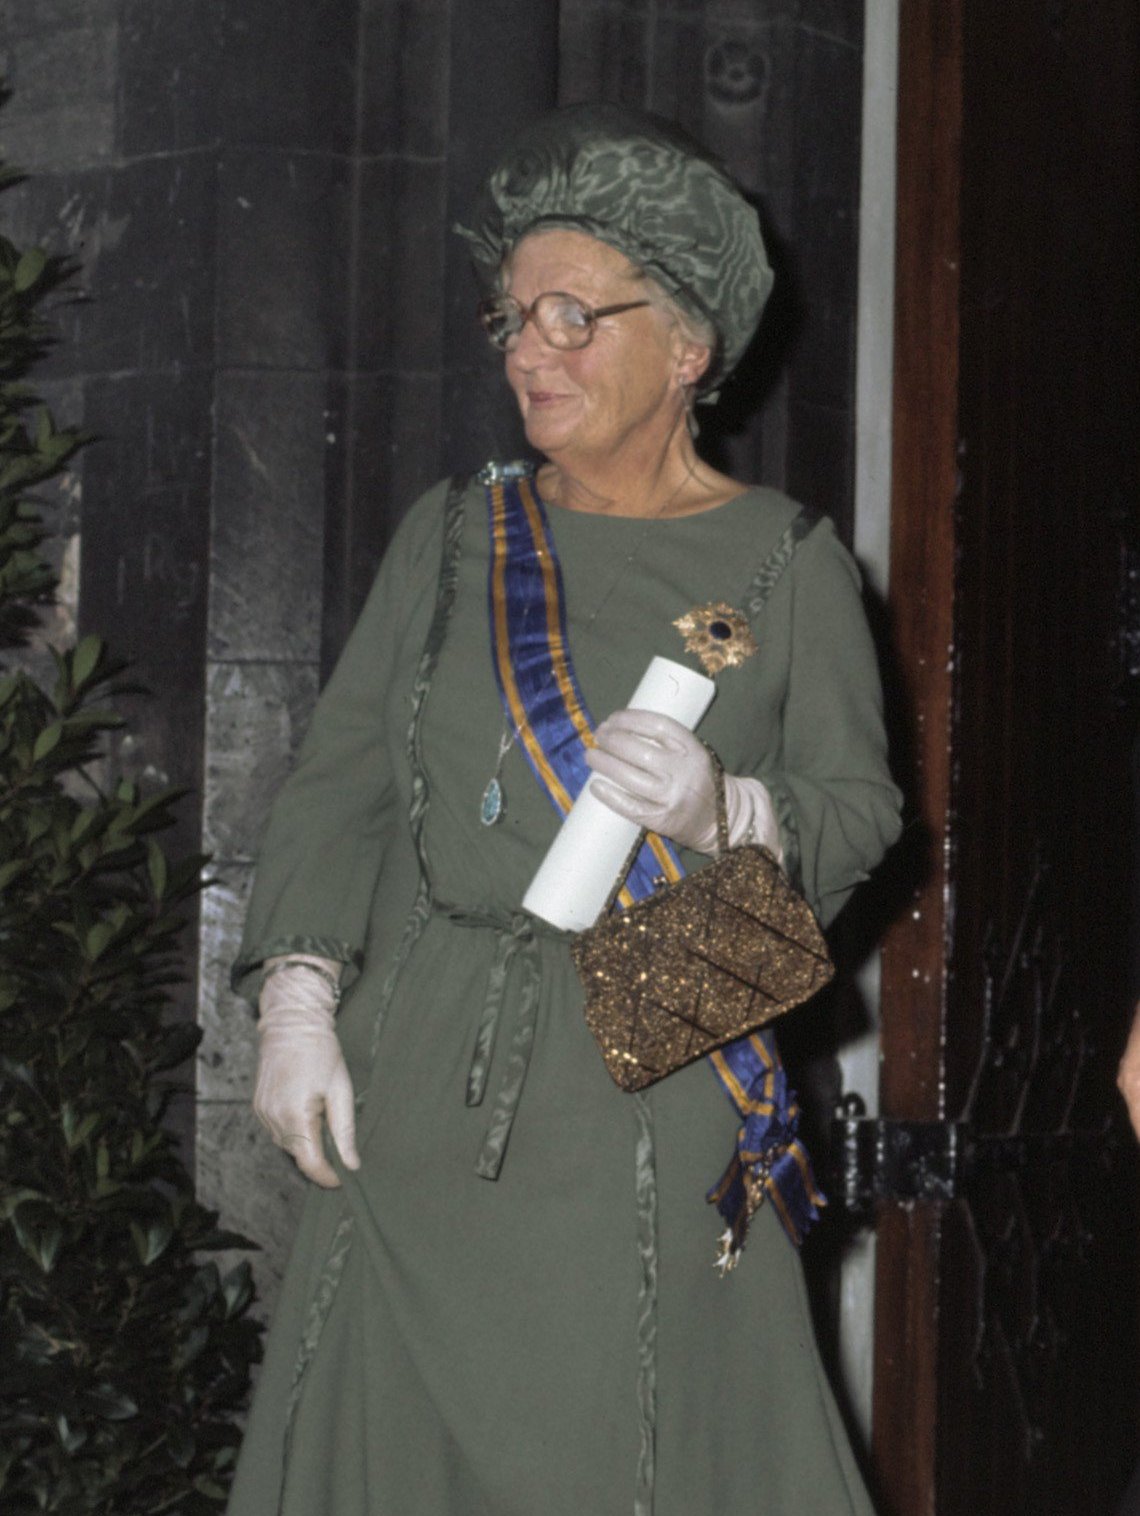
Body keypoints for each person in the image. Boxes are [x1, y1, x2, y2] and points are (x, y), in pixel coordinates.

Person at [225, 103, 902, 1516]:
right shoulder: (449, 531)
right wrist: (296, 1003)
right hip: (412, 1080)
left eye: (574, 317)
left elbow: (862, 815)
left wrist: (730, 809)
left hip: (648, 1069)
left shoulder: (787, 563)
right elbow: (344, 785)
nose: (531, 349)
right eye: (514, 319)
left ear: (689, 347)